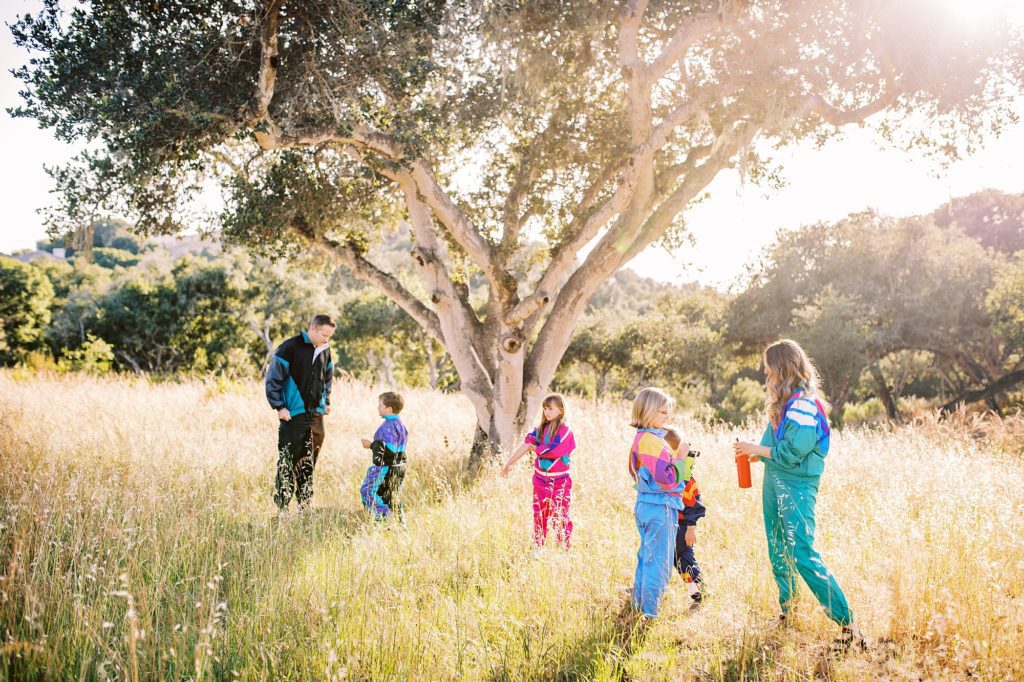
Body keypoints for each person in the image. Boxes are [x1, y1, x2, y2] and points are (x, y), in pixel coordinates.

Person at [733, 339, 865, 652]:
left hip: (796, 486)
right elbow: (771, 444)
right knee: (777, 547)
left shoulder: (806, 405)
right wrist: (752, 454)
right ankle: (788, 611)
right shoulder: (783, 402)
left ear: (784, 369)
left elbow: (791, 453)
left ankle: (849, 625)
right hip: (773, 482)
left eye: (769, 371)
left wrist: (758, 450)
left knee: (803, 553)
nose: (767, 377)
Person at [265, 314, 336, 515]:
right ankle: (282, 509)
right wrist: (279, 407)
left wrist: (326, 402)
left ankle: (304, 506)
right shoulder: (290, 347)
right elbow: (273, 380)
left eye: (329, 336)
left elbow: (328, 377)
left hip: (316, 417)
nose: (326, 339)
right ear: (312, 328)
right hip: (293, 416)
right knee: (288, 461)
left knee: (308, 462)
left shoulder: (325, 350)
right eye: (324, 334)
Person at [628, 388, 688, 618]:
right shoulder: (651, 441)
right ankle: (650, 612)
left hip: (647, 503)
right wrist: (681, 456)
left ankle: (638, 606)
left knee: (646, 557)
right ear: (650, 412)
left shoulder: (643, 439)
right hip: (660, 506)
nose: (667, 417)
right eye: (663, 412)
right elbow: (666, 478)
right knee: (658, 562)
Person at [501, 394, 577, 550]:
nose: (547, 412)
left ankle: (563, 548)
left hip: (559, 482)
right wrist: (509, 463)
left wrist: (536, 448)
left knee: (560, 515)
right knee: (540, 514)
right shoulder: (540, 430)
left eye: (551, 408)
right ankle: (538, 547)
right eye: (545, 408)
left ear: (561, 410)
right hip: (540, 480)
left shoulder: (565, 432)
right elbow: (526, 445)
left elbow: (554, 450)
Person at [664, 428, 707, 604]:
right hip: (670, 524)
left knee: (684, 558)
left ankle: (700, 590)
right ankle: (696, 592)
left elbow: (694, 506)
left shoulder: (684, 478)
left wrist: (691, 529)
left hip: (682, 527)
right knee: (677, 560)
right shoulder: (668, 475)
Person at [360, 391, 409, 521]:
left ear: (389, 409)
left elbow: (389, 450)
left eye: (380, 405)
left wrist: (370, 445)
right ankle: (400, 523)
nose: (378, 408)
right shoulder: (401, 424)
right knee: (391, 496)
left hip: (387, 467)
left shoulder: (388, 426)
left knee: (367, 491)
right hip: (400, 468)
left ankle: (385, 517)